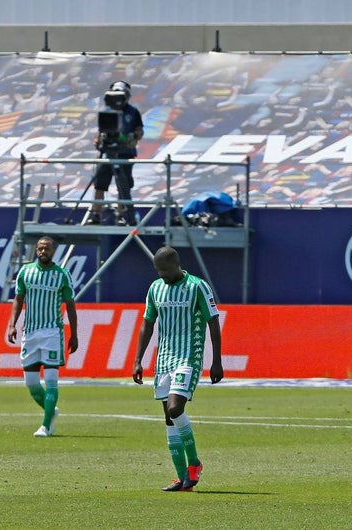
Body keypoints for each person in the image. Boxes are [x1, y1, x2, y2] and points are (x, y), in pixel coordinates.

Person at [133, 246, 223, 492]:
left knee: (175, 408)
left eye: (165, 270)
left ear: (176, 265)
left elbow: (213, 322)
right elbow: (147, 323)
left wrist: (217, 360)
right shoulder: (155, 288)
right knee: (168, 418)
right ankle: (183, 478)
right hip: (163, 360)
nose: (162, 274)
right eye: (158, 270)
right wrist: (138, 359)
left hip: (188, 357)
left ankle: (194, 464)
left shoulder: (197, 286)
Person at [6, 236, 79, 437]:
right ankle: (51, 411)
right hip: (30, 333)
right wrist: (12, 325)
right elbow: (18, 299)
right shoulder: (25, 272)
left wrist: (74, 333)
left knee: (51, 380)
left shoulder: (62, 275)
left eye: (46, 248)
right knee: (31, 383)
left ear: (53, 251)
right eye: (39, 248)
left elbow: (70, 305)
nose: (42, 251)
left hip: (52, 333)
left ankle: (46, 425)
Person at [87, 80, 144, 226]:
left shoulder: (133, 111)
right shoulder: (107, 110)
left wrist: (133, 137)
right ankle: (95, 215)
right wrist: (98, 140)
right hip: (107, 153)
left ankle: (121, 215)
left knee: (123, 186)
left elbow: (139, 130)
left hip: (125, 153)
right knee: (100, 185)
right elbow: (100, 130)